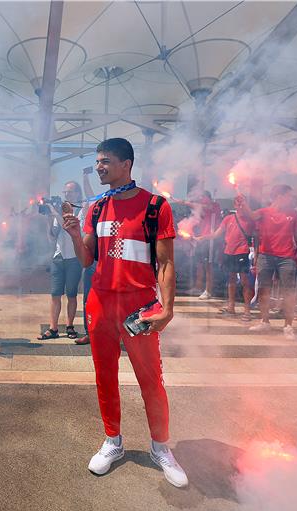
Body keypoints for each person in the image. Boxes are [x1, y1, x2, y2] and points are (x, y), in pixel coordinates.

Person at [62, 138, 187, 488]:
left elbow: (165, 263)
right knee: (105, 375)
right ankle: (112, 441)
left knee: (151, 379)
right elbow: (87, 259)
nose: (99, 166)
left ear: (126, 163)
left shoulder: (155, 206)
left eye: (106, 161)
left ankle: (160, 447)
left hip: (138, 306)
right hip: (100, 303)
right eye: (97, 161)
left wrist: (168, 309)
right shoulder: (96, 208)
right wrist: (74, 234)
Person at [235, 185, 297, 339]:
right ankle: (264, 321)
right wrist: (243, 204)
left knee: (289, 292)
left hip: (287, 257)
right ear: (279, 195)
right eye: (289, 195)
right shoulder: (265, 212)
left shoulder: (294, 214)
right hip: (266, 256)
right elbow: (251, 216)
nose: (291, 198)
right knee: (264, 290)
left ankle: (288, 326)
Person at [38, 181, 84, 341]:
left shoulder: (81, 211)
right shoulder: (60, 211)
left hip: (74, 258)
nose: (67, 195)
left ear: (78, 193)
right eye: (65, 192)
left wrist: (55, 212)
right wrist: (48, 220)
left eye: (70, 192)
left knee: (71, 295)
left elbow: (69, 226)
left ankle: (70, 326)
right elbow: (52, 237)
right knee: (55, 295)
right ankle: (53, 328)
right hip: (58, 258)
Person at [195, 209, 254, 321]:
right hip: (229, 253)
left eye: (242, 203)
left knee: (245, 281)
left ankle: (247, 311)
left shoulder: (249, 220)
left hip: (242, 252)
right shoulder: (228, 219)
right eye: (238, 203)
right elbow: (216, 234)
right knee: (231, 280)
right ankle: (231, 307)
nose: (240, 205)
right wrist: (202, 238)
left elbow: (255, 235)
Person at [190, 191, 221, 300]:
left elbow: (203, 206)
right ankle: (198, 287)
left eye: (203, 197)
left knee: (209, 265)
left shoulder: (214, 206)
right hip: (202, 240)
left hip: (210, 240)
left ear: (208, 197)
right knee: (200, 263)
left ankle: (208, 290)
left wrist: (184, 202)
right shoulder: (203, 210)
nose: (201, 199)